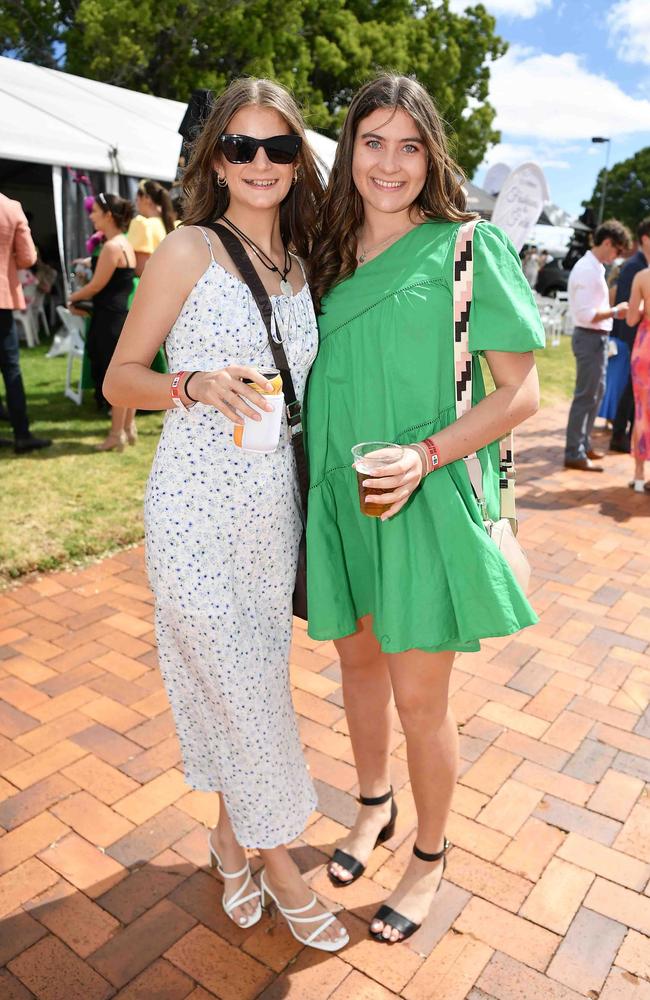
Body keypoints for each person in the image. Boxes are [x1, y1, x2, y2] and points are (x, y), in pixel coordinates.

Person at [104, 78, 348, 952]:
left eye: (278, 147)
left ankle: (223, 833)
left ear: (298, 161)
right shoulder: (186, 251)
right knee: (244, 692)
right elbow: (117, 377)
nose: (259, 163)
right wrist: (190, 383)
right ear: (215, 158)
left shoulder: (306, 265)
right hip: (194, 510)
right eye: (239, 146)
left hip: (270, 512)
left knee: (241, 682)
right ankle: (278, 857)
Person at [306, 73, 543, 945]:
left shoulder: (466, 248)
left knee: (419, 698)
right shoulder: (324, 255)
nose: (390, 163)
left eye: (410, 144)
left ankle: (432, 854)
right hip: (341, 494)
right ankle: (375, 805)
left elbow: (522, 394)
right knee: (356, 667)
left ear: (432, 153)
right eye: (373, 141)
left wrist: (426, 454)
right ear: (350, 149)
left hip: (423, 495)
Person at [68, 193, 137, 451]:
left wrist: (72, 297)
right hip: (119, 316)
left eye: (95, 211)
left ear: (108, 215)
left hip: (110, 320)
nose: (91, 215)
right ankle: (128, 427)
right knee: (126, 377)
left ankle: (116, 434)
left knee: (116, 378)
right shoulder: (125, 243)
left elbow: (96, 285)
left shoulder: (111, 247)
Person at [564, 220, 632, 472]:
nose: (617, 255)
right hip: (589, 336)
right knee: (586, 396)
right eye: (617, 249)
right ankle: (574, 451)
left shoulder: (594, 268)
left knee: (595, 393)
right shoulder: (587, 270)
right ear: (607, 243)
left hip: (596, 338)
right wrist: (615, 311)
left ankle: (582, 445)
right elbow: (585, 314)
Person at [0, 192, 52, 454]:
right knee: (10, 369)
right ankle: (22, 434)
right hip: (2, 296)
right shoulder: (10, 207)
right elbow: (28, 258)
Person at [609, 219, 650, 452]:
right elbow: (627, 309)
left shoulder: (641, 266)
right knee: (628, 389)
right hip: (632, 337)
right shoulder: (636, 266)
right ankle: (619, 435)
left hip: (640, 338)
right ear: (645, 238)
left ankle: (627, 435)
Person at [627, 266, 650, 490]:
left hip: (646, 348)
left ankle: (639, 475)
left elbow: (631, 319)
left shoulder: (643, 277)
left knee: (642, 410)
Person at [126, 180, 177, 276]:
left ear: (146, 198)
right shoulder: (171, 225)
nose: (137, 205)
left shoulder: (142, 224)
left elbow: (140, 269)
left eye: (137, 200)